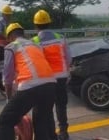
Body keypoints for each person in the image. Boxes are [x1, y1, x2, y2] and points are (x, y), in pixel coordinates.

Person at [0, 23, 56, 140]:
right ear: (22, 34)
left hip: (31, 87)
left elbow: (8, 78)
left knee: (5, 121)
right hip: (50, 85)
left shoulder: (11, 47)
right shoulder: (35, 45)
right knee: (41, 122)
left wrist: (9, 98)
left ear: (10, 37)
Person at [32, 10, 72, 140]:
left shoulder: (34, 41)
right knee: (61, 105)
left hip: (45, 80)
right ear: (49, 23)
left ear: (36, 25)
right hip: (61, 77)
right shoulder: (60, 38)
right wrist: (66, 73)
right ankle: (64, 132)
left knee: (46, 108)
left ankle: (51, 134)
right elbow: (68, 58)